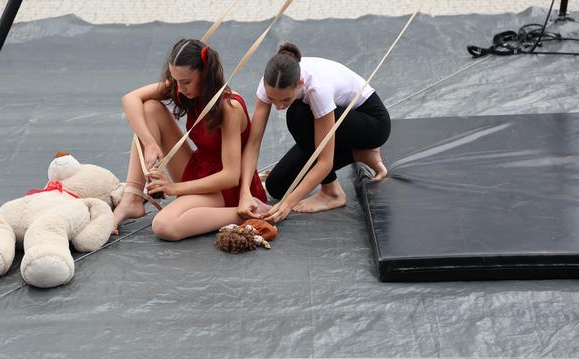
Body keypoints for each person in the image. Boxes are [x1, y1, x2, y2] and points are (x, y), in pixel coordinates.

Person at [113, 38, 268, 240]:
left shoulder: (230, 107)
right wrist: (150, 143)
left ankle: (249, 211)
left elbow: (230, 175)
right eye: (175, 80)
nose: (179, 88)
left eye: (185, 82)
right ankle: (131, 200)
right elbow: (130, 99)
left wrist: (174, 188)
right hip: (199, 167)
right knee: (150, 108)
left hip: (226, 187)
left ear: (205, 75)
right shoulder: (183, 86)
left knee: (164, 225)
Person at [238, 42, 391, 224]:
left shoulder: (318, 89)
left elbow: (325, 162)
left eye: (285, 98)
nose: (278, 107)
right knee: (277, 186)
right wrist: (244, 193)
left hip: (372, 123)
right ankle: (359, 152)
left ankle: (331, 192)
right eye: (272, 99)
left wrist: (287, 205)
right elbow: (253, 144)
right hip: (338, 123)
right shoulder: (268, 83)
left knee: (297, 114)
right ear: (265, 83)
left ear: (300, 84)